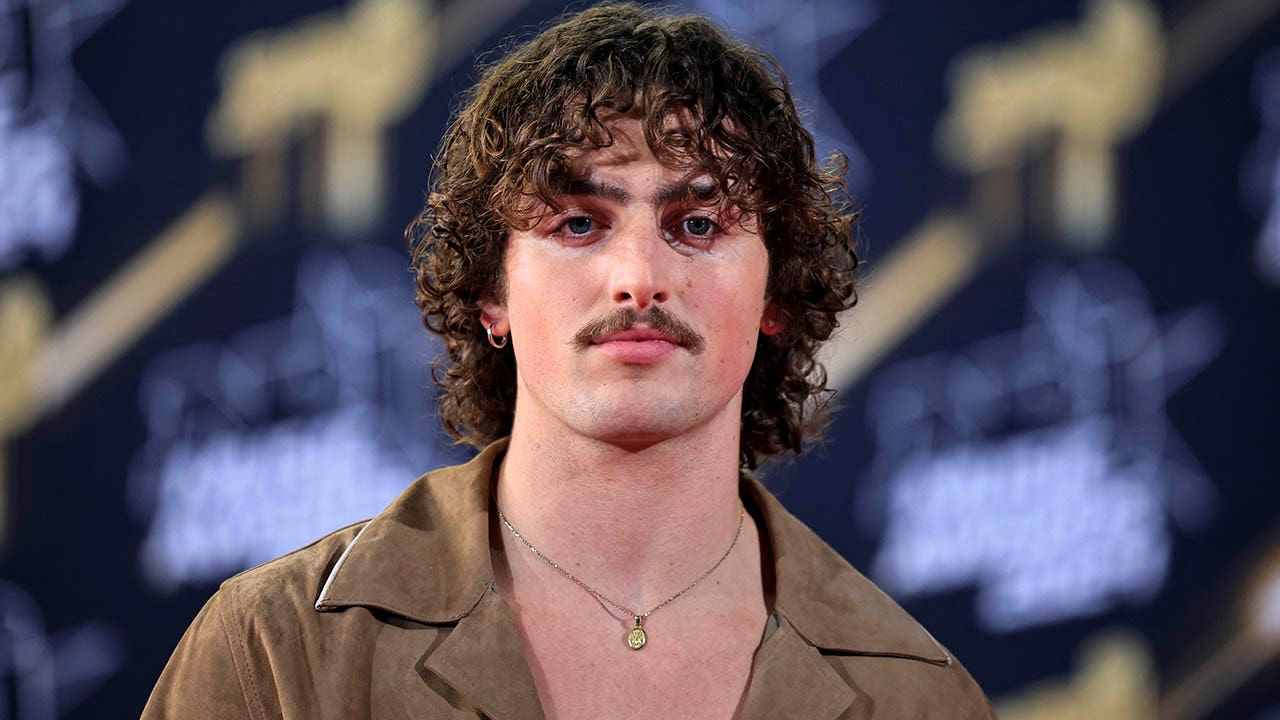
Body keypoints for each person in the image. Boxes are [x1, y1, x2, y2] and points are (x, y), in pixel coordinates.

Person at [143, 3, 995, 718]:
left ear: (776, 292)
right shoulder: (276, 652)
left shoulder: (919, 696)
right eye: (579, 223)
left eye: (698, 224)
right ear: (492, 292)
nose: (639, 278)